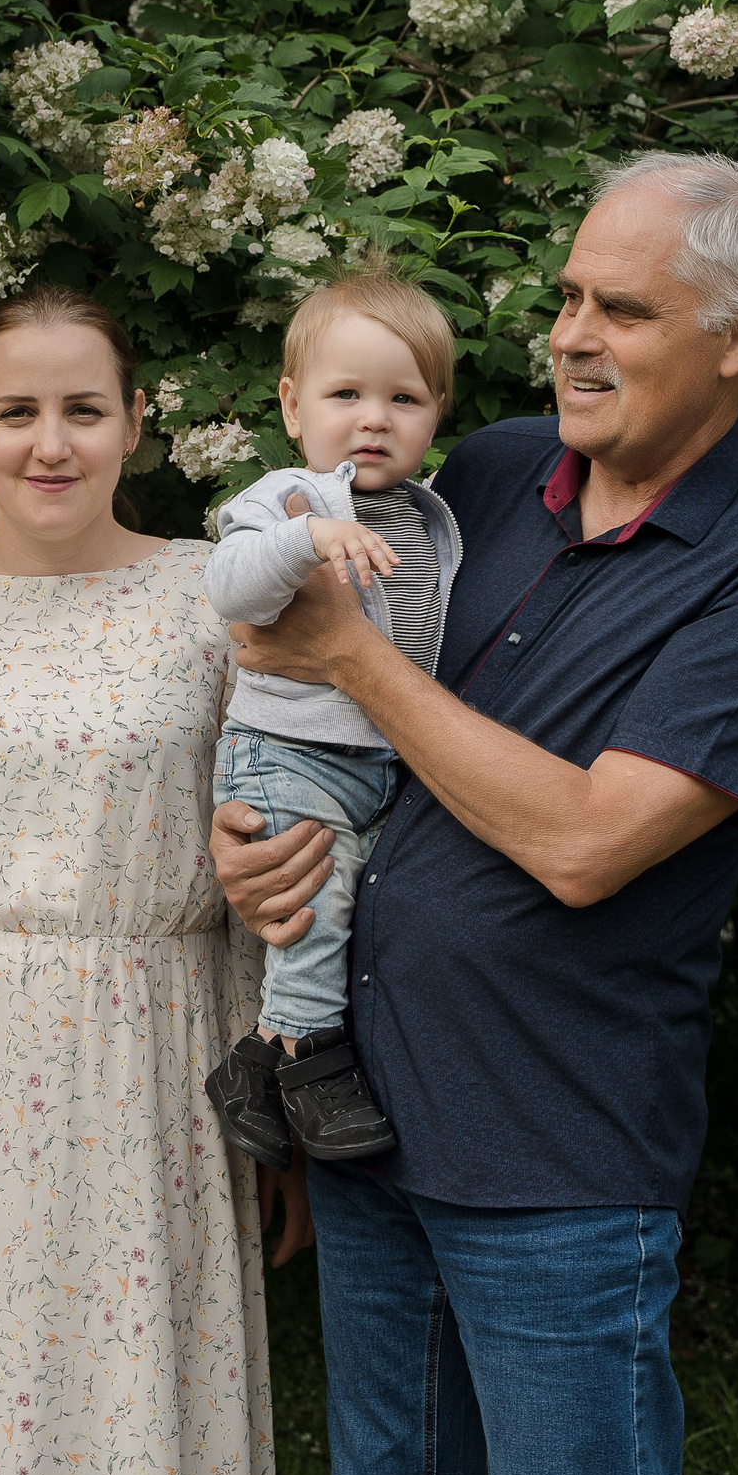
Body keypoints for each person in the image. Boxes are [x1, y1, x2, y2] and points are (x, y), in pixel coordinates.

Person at [215, 152, 738, 1475]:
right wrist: (262, 836)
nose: (572, 335)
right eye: (570, 297)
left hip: (552, 1151)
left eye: (622, 310)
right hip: (367, 1111)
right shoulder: (494, 469)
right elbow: (329, 710)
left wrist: (351, 656)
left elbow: (587, 843)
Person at [0, 286, 295, 1475]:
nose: (49, 444)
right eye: (16, 412)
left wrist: (274, 1092)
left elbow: (263, 855)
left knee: (132, 1375)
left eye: (83, 410)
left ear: (136, 422)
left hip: (158, 1046)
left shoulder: (212, 595)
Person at [200, 268, 461, 1168]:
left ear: (436, 413)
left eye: (404, 398)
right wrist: (305, 539)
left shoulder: (431, 515)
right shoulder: (290, 497)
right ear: (292, 406)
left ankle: (254, 1066)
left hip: (383, 761)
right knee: (319, 903)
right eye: (345, 394)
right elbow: (231, 585)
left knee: (360, 915)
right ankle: (308, 1065)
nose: (373, 418)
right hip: (291, 755)